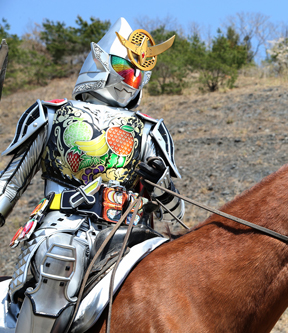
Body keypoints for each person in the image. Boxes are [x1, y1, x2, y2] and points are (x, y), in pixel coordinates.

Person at [0, 17, 184, 332]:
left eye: (140, 76)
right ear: (101, 61)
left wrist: (159, 183)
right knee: (59, 264)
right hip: (63, 228)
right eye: (126, 70)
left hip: (130, 236)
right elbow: (11, 183)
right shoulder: (51, 114)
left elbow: (175, 211)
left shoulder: (151, 131)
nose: (131, 81)